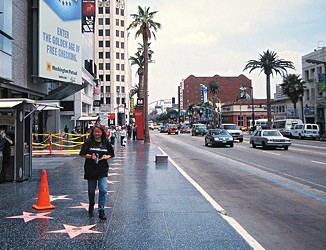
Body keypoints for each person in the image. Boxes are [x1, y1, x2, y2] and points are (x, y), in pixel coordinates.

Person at [79, 124, 114, 220]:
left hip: (102, 169)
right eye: (95, 132)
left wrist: (107, 156)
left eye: (99, 132)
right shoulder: (88, 142)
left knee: (103, 189)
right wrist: (91, 156)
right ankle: (91, 203)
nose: (97, 133)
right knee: (91, 190)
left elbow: (111, 153)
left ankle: (101, 210)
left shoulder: (106, 142)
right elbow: (82, 154)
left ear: (102, 132)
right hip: (91, 169)